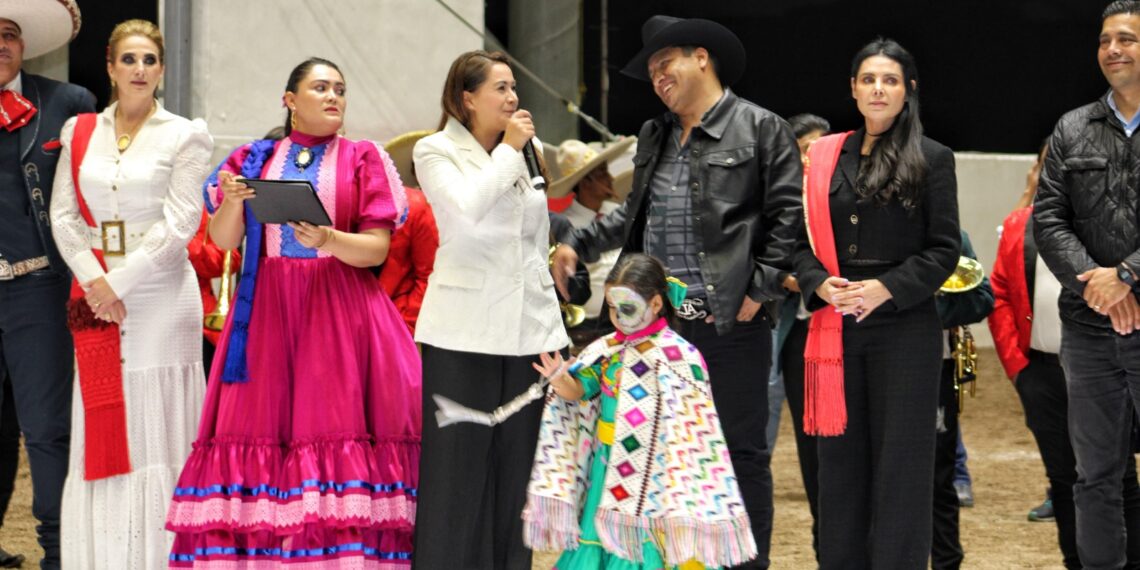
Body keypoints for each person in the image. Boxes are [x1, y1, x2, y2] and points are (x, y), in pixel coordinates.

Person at [551, 17, 804, 567]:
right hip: (658, 325)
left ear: (702, 59)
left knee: (739, 452)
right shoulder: (653, 134)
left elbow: (789, 218)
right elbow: (632, 212)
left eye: (666, 65)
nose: (658, 78)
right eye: (652, 72)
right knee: (660, 448)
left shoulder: (762, 128)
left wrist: (759, 290)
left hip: (730, 322)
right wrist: (581, 242)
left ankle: (743, 564)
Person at [165, 57, 421, 568]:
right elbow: (223, 241)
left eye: (340, 90)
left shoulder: (362, 158)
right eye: (320, 88)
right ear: (290, 100)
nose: (334, 98)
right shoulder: (255, 157)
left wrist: (327, 237)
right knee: (259, 432)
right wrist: (234, 202)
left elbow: (374, 249)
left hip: (340, 312)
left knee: (331, 426)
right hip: (267, 315)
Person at [48, 19, 211, 568]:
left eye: (150, 60)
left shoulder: (185, 133)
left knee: (153, 427)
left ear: (162, 69)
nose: (140, 69)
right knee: (101, 416)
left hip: (162, 295)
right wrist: (96, 284)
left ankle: (163, 555)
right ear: (111, 66)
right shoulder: (80, 131)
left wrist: (117, 285)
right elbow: (64, 216)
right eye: (129, 59)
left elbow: (182, 224)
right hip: (94, 288)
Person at [794, 38, 960, 568]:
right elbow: (795, 244)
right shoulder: (825, 156)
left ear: (908, 90)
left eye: (889, 80)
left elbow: (944, 250)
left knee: (901, 471)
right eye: (868, 79)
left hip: (905, 332)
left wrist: (884, 289)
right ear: (853, 89)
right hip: (834, 325)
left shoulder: (933, 158)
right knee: (838, 466)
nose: (878, 89)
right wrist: (819, 283)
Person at [411, 49, 569, 570]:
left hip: (528, 332)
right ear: (466, 98)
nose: (512, 97)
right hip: (463, 335)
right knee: (455, 477)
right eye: (500, 88)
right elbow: (467, 211)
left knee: (516, 475)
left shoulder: (527, 148)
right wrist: (510, 150)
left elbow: (532, 237)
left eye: (513, 87)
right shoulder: (435, 150)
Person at [524, 253, 757, 569]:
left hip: (656, 477)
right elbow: (579, 392)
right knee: (601, 537)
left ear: (657, 304)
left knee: (646, 546)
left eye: (628, 307)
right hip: (606, 471)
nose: (618, 316)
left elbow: (692, 431)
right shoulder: (605, 351)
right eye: (611, 307)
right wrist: (560, 379)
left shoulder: (679, 358)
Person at [1035, 2, 1140, 566]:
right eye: (1104, 40)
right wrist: (1097, 288)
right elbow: (1048, 219)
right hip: (1088, 330)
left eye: (1126, 38)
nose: (1112, 49)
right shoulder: (1072, 127)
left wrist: (1128, 276)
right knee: (1094, 476)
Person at [1004, 139, 1140, 568]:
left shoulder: (1112, 226)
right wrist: (1017, 365)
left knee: (1118, 475)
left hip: (1105, 358)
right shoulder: (1021, 226)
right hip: (1043, 371)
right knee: (1070, 478)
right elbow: (1001, 293)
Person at [0, 1, 94, 567]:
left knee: (47, 429)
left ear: (25, 46)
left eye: (9, 34)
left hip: (37, 287)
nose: (1, 43)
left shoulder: (65, 103)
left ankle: (59, 551)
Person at [762, 112, 828, 559]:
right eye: (806, 148)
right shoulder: (772, 197)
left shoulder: (836, 193)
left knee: (821, 437)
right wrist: (789, 277)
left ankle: (830, 539)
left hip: (824, 329)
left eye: (821, 149)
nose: (813, 157)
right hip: (779, 326)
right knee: (760, 430)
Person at [931, 231, 994, 570]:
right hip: (871, 367)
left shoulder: (952, 235)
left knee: (939, 478)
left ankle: (946, 562)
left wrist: (926, 305)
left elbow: (982, 299)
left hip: (935, 367)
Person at [547, 137, 636, 346]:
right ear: (586, 181)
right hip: (585, 328)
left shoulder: (618, 216)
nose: (609, 178)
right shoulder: (563, 225)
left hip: (627, 319)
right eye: (601, 173)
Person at [380, 131, 438, 335]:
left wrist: (405, 326)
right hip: (371, 316)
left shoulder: (415, 206)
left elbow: (428, 275)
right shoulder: (411, 203)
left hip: (399, 319)